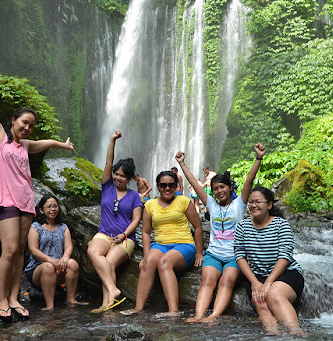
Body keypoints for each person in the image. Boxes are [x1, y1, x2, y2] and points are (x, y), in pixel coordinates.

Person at [0, 52, 75, 322]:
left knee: (20, 252)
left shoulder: (26, 146)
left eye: (31, 126)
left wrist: (64, 145)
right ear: (13, 122)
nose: (27, 128)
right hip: (4, 202)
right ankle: (2, 299)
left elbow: (45, 143)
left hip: (25, 203)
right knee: (9, 250)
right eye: (24, 122)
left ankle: (13, 298)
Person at [178, 144, 265, 323]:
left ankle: (213, 316)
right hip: (214, 255)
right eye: (216, 189)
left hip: (236, 256)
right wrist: (182, 164)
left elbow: (249, 180)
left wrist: (258, 158)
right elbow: (195, 184)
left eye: (222, 187)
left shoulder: (239, 204)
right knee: (208, 280)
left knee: (226, 281)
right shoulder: (211, 204)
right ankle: (198, 315)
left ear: (229, 187)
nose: (219, 191)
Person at [121, 169, 203, 316]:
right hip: (160, 245)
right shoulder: (150, 205)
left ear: (176, 186)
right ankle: (138, 308)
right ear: (158, 186)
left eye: (171, 185)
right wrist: (146, 256)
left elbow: (198, 226)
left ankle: (173, 311)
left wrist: (199, 253)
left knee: (165, 262)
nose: (167, 188)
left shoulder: (184, 201)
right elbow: (146, 232)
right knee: (150, 261)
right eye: (163, 185)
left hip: (184, 244)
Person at [234, 186, 305, 335]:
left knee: (273, 295)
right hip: (256, 275)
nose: (253, 205)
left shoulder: (281, 224)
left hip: (285, 273)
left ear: (269, 205)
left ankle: (296, 334)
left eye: (258, 201)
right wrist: (254, 282)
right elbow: (240, 255)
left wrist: (268, 283)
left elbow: (285, 256)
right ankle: (274, 335)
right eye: (251, 202)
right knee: (261, 303)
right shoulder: (242, 226)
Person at [87, 131, 143, 313]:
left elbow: (136, 219)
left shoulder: (135, 196)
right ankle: (113, 291)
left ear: (129, 179)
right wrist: (112, 140)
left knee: (109, 262)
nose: (118, 177)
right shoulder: (107, 186)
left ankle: (106, 304)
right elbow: (108, 162)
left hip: (125, 238)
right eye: (116, 174)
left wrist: (125, 234)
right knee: (93, 251)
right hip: (104, 233)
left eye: (123, 176)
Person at [24, 195, 86, 310]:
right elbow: (33, 249)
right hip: (38, 269)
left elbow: (68, 247)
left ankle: (71, 299)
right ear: (41, 210)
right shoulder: (36, 227)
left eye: (55, 206)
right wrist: (50, 260)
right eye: (49, 207)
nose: (53, 209)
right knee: (48, 267)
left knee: (72, 263)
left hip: (58, 267)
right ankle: (50, 305)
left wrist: (65, 258)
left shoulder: (63, 227)